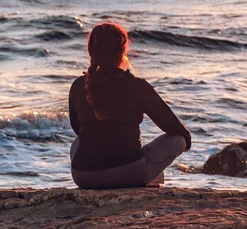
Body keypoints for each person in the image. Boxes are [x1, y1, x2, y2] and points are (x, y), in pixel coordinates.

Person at [69, 21, 191, 189]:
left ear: (91, 50)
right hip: (128, 175)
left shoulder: (78, 85)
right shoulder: (137, 86)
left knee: (78, 142)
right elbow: (176, 130)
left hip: (83, 176)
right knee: (178, 141)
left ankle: (145, 175)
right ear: (123, 50)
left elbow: (78, 128)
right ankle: (148, 182)